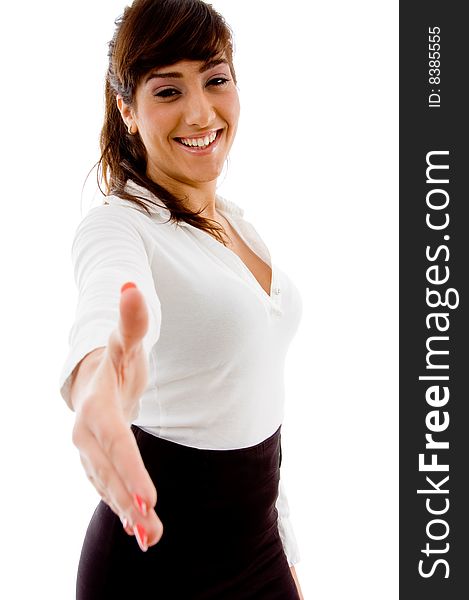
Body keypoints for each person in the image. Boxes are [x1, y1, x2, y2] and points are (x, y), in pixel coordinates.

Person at [59, 0, 304, 597]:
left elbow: (255, 399)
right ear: (128, 110)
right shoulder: (118, 226)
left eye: (215, 79)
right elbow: (107, 306)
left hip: (258, 548)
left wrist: (288, 547)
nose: (200, 112)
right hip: (155, 568)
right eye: (167, 91)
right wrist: (100, 382)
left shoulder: (237, 224)